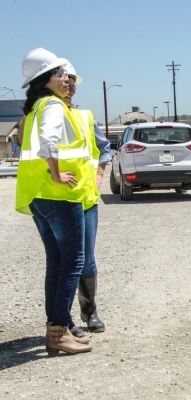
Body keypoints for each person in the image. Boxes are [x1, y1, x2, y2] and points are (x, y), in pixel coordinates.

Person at [16, 48, 100, 355]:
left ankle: (57, 329)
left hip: (38, 195)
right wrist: (57, 173)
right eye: (61, 74)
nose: (66, 78)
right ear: (47, 80)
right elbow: (49, 141)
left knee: (57, 263)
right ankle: (59, 331)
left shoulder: (36, 106)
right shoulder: (52, 106)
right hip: (60, 196)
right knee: (73, 262)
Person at [59, 60, 109, 336]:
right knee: (64, 260)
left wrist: (100, 174)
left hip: (86, 199)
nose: (71, 89)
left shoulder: (85, 117)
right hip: (57, 199)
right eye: (67, 82)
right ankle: (62, 318)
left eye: (73, 85)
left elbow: (103, 150)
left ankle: (90, 312)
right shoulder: (44, 116)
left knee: (86, 259)